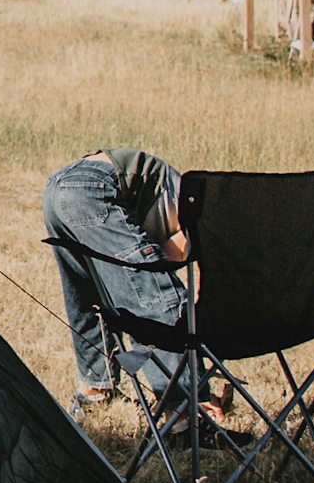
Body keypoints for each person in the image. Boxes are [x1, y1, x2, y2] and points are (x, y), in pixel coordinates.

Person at [43, 145, 221, 413]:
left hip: (59, 189)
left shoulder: (175, 196)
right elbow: (159, 292)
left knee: (89, 298)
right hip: (96, 188)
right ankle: (185, 411)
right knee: (160, 301)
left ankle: (95, 392)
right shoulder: (202, 219)